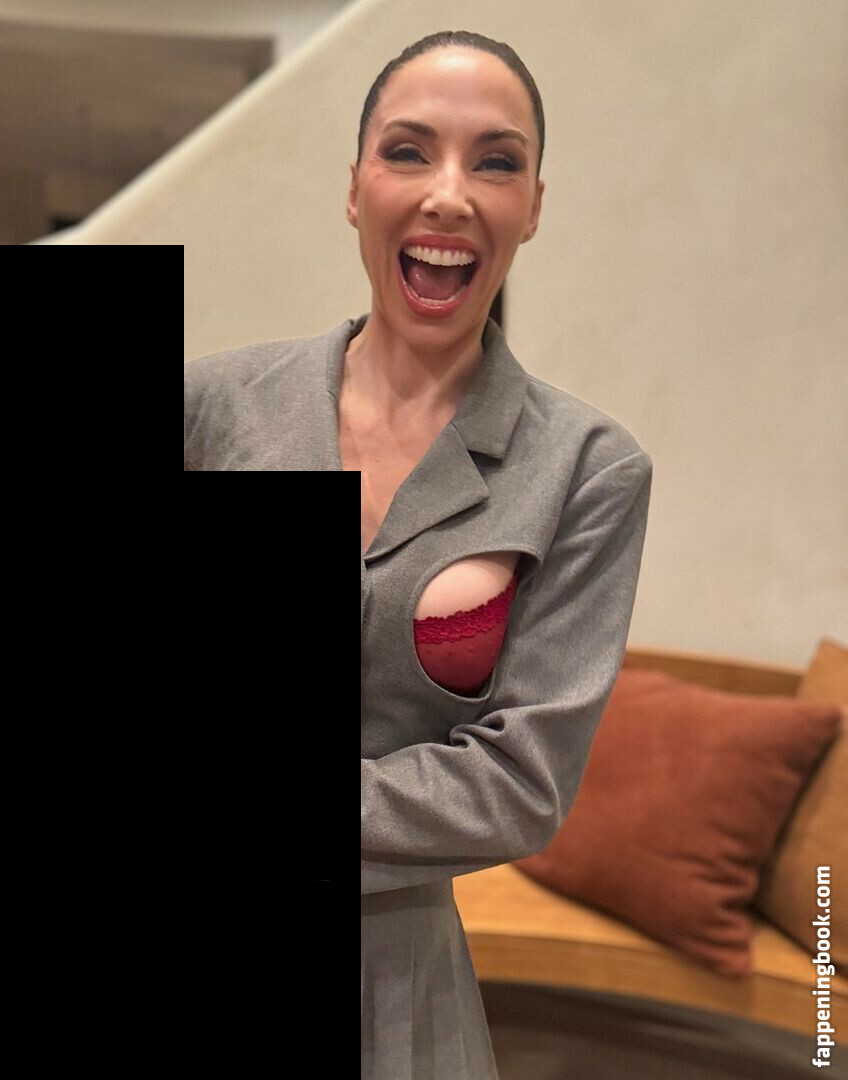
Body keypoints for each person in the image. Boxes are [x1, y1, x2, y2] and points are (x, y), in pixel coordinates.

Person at [184, 30, 652, 1080]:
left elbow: (520, 782)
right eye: (408, 151)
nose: (449, 195)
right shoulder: (208, 406)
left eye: (496, 162)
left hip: (392, 984)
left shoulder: (588, 468)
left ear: (533, 205)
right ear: (355, 188)